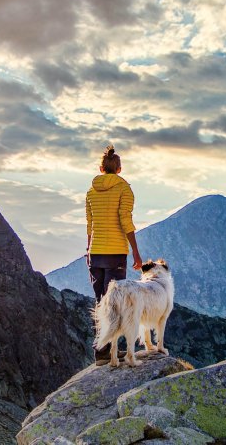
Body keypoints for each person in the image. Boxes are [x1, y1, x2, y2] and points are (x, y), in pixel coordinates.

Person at [86, 144, 142, 365]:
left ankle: (100, 352)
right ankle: (109, 352)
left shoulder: (91, 191)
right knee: (115, 302)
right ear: (119, 169)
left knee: (101, 302)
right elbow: (125, 220)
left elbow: (89, 224)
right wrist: (136, 252)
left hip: (95, 253)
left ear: (102, 169)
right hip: (116, 252)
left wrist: (88, 250)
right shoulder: (124, 189)